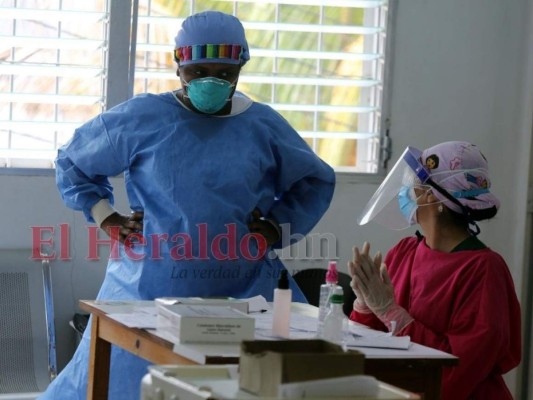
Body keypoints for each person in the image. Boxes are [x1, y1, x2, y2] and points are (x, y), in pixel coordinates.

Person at [39, 11, 335, 400]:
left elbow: (315, 180)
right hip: (148, 289)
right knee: (120, 383)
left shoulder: (263, 127)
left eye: (224, 73)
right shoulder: (144, 118)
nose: (210, 82)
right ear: (178, 65)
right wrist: (105, 217)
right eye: (198, 71)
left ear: (241, 68)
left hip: (243, 291)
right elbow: (73, 162)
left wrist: (276, 227)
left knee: (255, 385)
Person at [348, 141, 521, 400]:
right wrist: (365, 305)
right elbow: (365, 347)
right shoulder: (405, 251)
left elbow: (458, 370)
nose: (406, 192)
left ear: (431, 196)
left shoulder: (484, 270)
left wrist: (393, 314)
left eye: (412, 185)